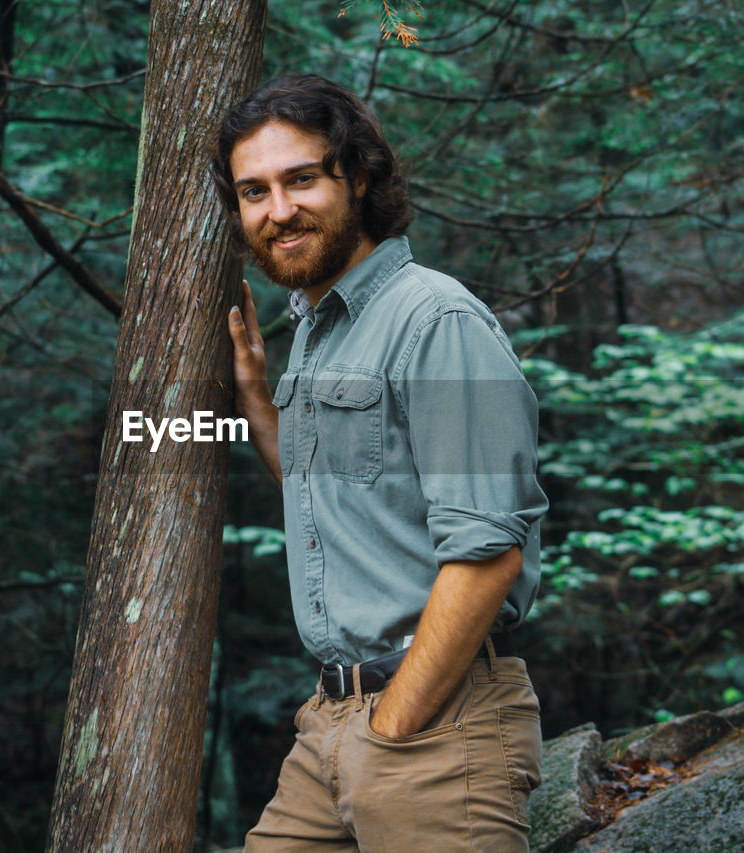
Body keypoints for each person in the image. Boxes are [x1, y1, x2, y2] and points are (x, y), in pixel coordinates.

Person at [214, 73, 549, 852]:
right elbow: (327, 489)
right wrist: (259, 400)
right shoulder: (318, 332)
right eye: (254, 191)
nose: (279, 210)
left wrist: (394, 724)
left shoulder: (434, 319)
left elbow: (488, 552)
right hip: (328, 728)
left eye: (301, 179)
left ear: (358, 175)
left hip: (433, 724)